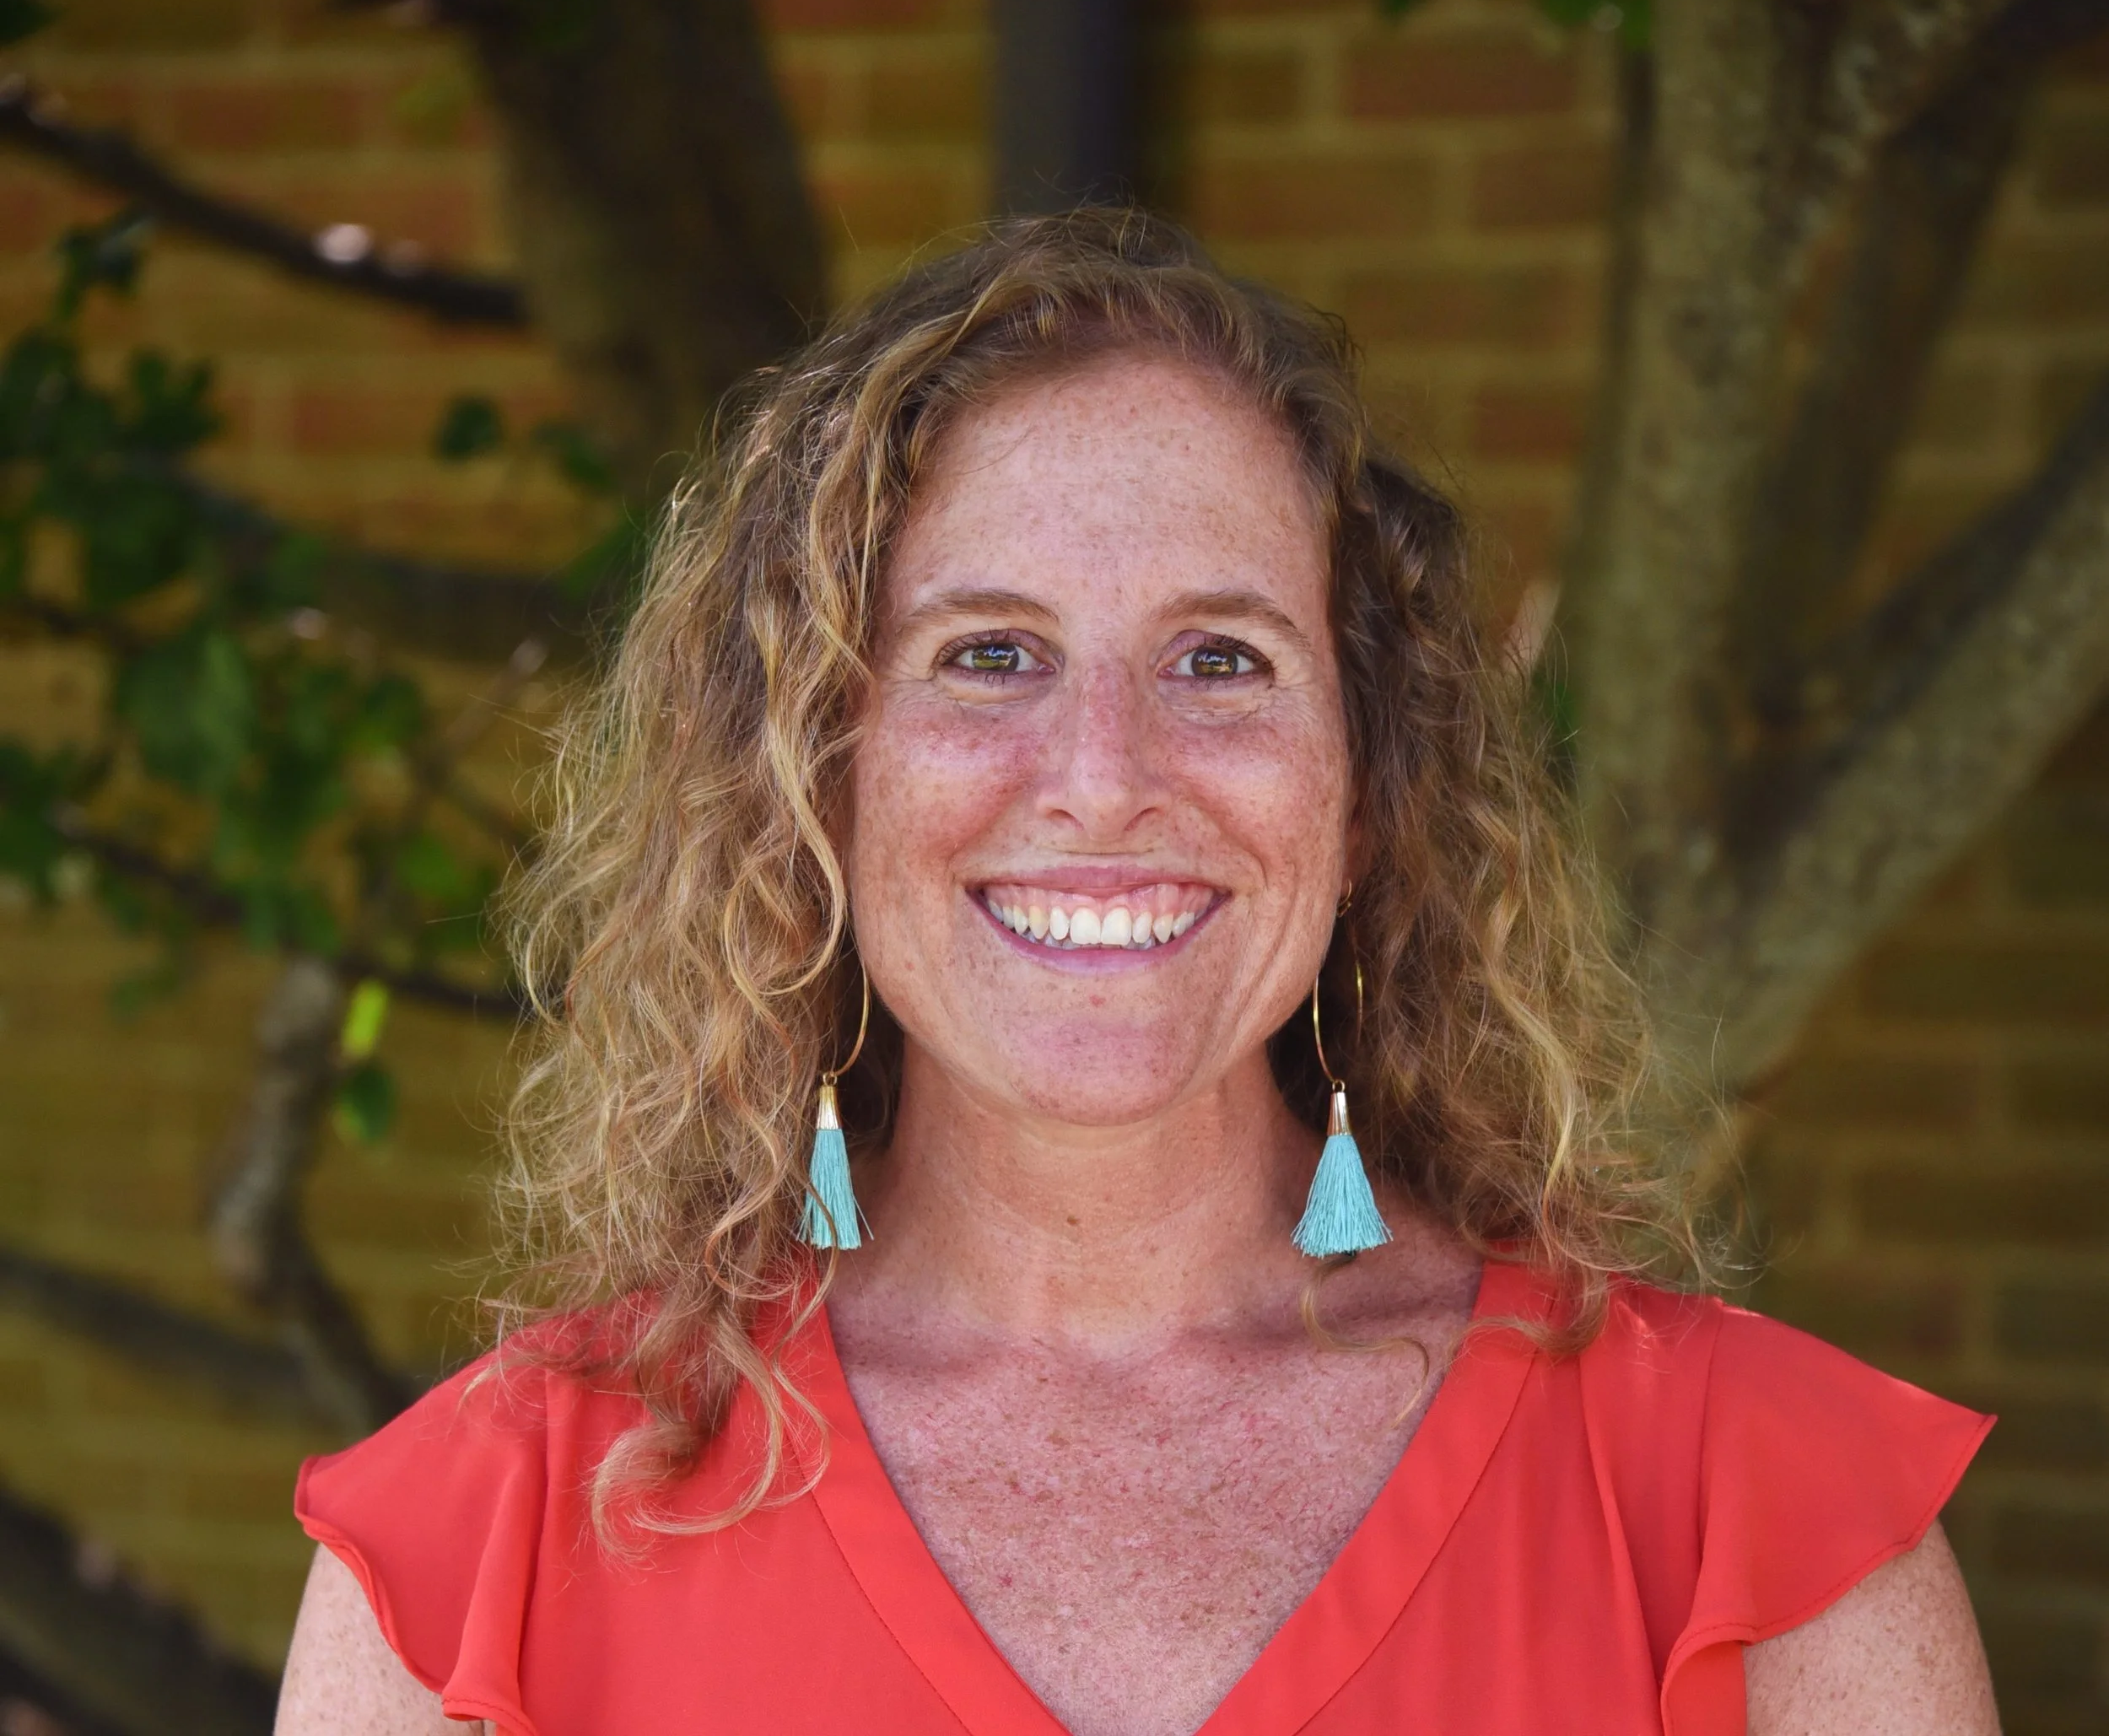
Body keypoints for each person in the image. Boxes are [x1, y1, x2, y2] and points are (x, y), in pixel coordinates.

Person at [276, 211, 1997, 1736]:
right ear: (809, 777)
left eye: (1219, 659)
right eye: (989, 652)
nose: (1102, 777)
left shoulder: (1749, 1520)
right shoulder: (488, 1546)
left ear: (1367, 783)